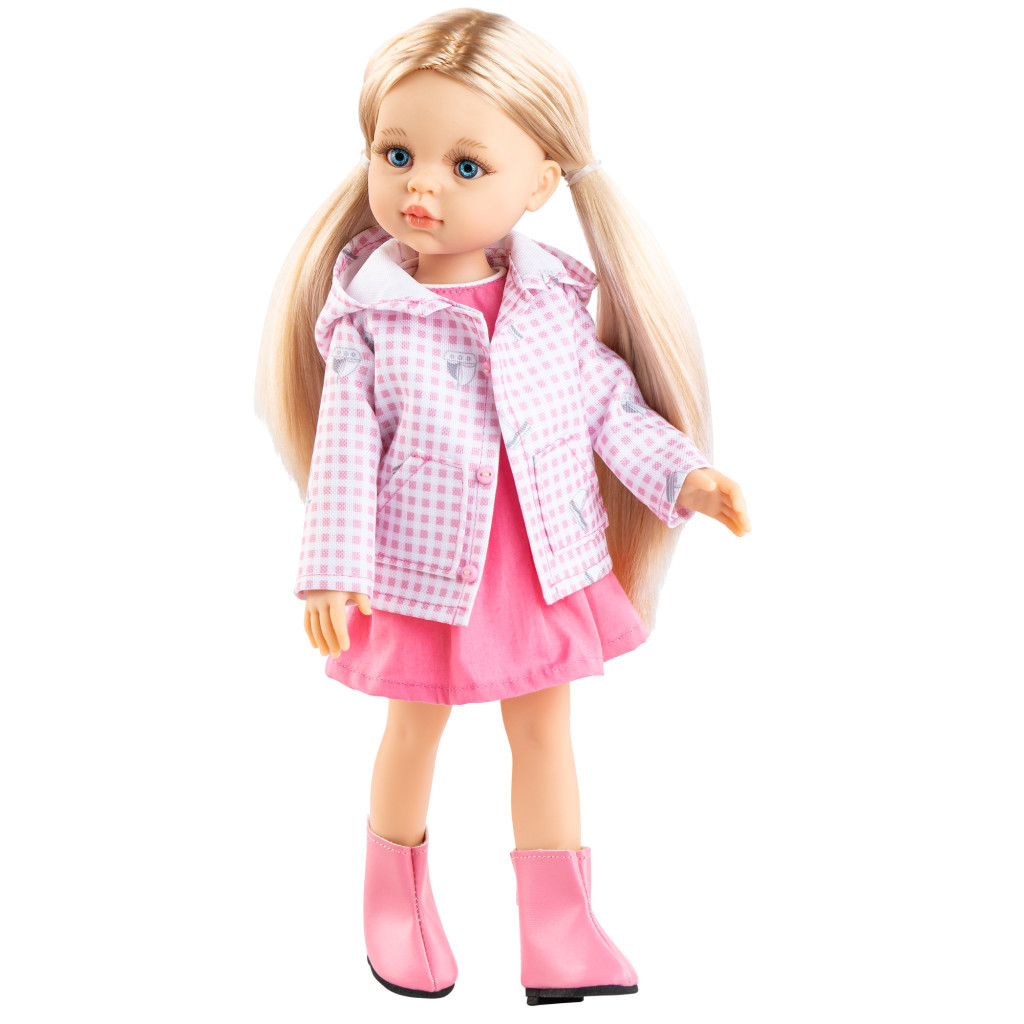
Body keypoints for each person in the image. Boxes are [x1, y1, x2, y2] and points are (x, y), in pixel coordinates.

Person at [255, 8, 751, 1006]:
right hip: (422, 574)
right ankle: (392, 906)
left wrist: (682, 474)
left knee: (545, 734)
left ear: (539, 183)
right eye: (397, 155)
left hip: (538, 564)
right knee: (413, 729)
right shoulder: (371, 321)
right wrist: (331, 571)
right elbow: (346, 452)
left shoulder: (550, 303)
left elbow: (607, 403)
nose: (421, 186)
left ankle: (559, 932)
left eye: (466, 166)